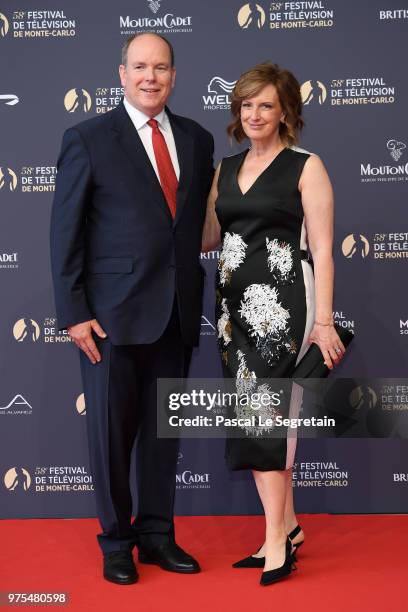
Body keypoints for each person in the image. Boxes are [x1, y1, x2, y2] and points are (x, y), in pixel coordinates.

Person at [50, 33, 214, 585]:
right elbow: (64, 233)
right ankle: (116, 542)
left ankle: (157, 535)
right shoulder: (89, 138)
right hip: (110, 319)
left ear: (174, 76)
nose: (151, 77)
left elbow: (193, 227)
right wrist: (74, 311)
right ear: (121, 73)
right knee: (112, 438)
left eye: (161, 67)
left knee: (164, 434)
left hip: (177, 312)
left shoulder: (197, 138)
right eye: (140, 66)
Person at [202, 62, 346, 586]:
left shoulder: (306, 166)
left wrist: (325, 322)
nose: (255, 114)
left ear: (285, 110)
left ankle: (276, 543)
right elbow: (207, 239)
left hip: (286, 307)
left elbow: (325, 251)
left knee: (268, 421)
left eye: (266, 104)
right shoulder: (226, 168)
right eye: (246, 105)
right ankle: (285, 527)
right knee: (258, 418)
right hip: (233, 311)